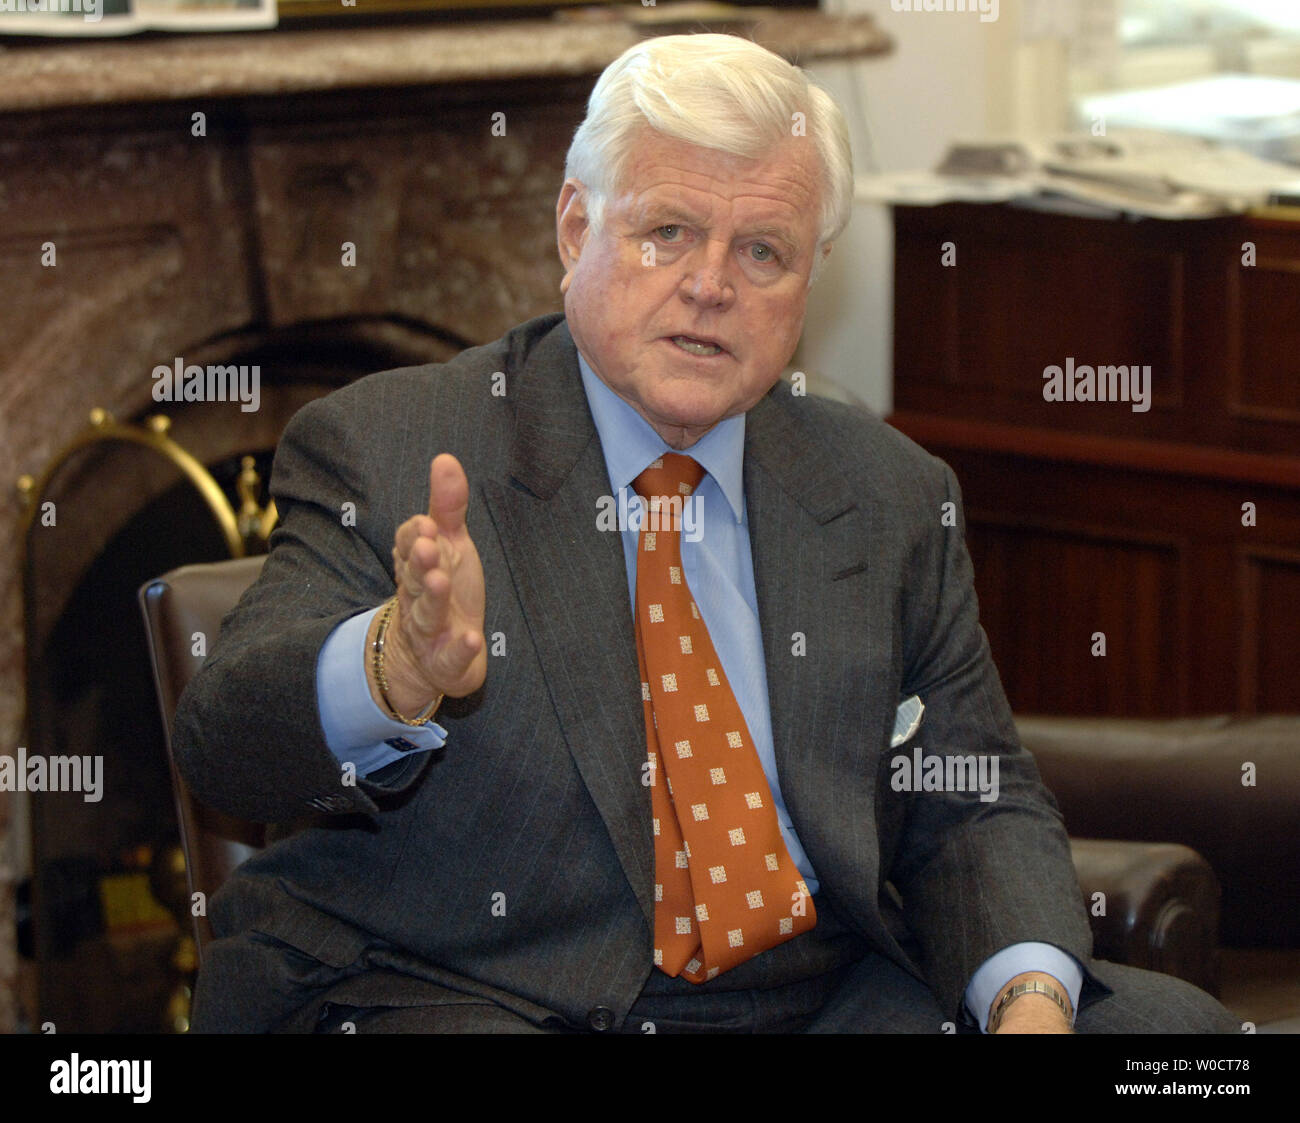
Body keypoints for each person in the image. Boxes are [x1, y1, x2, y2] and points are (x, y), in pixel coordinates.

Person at [173, 33, 1237, 1034]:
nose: (711, 284)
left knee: (1176, 1044)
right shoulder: (391, 441)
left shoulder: (886, 490)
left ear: (807, 285)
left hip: (808, 989)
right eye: (668, 231)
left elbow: (971, 796)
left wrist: (1029, 1003)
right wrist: (393, 665)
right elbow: (227, 747)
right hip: (469, 985)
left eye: (762, 251)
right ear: (575, 229)